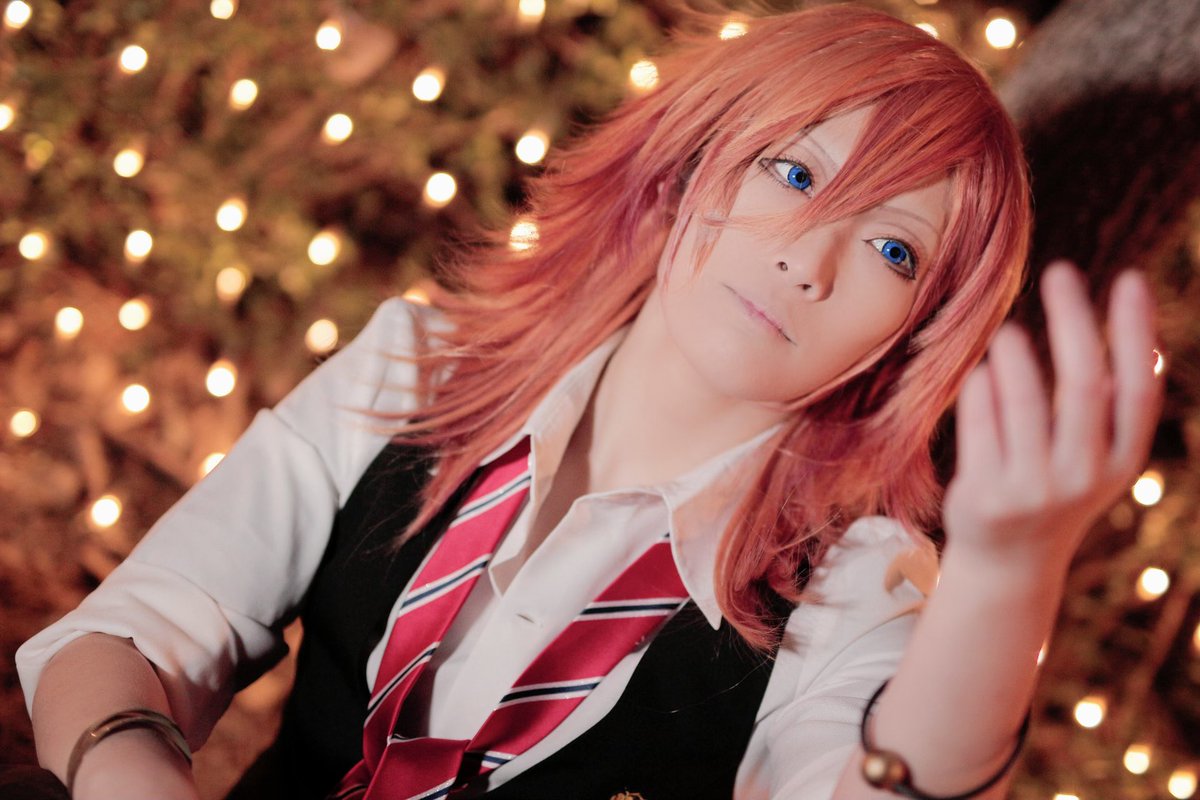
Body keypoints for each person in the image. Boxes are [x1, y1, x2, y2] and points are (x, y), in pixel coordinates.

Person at [15, 5, 1162, 800]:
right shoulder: (421, 366)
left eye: (894, 250)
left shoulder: (853, 583)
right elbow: (125, 638)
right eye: (796, 172)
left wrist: (1012, 571)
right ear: (691, 165)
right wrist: (132, 769)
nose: (808, 261)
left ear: (915, 333)